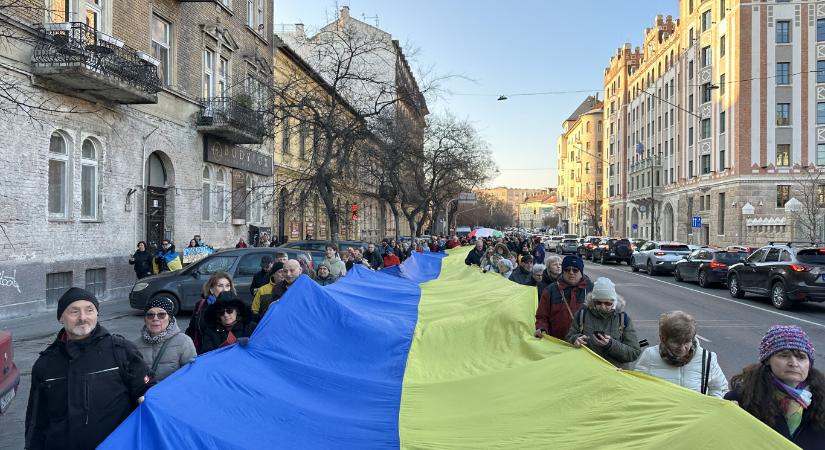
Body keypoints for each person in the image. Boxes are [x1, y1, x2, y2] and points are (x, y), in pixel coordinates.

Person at [25, 288, 153, 450]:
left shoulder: (121, 350)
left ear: (97, 314)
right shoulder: (45, 364)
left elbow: (149, 393)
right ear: (60, 318)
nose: (82, 318)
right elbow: (36, 422)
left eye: (89, 310)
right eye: (74, 311)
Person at [724, 325, 825, 448]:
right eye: (784, 355)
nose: (793, 363)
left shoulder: (821, 400)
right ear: (767, 360)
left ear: (809, 364)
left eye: (801, 357)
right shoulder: (741, 400)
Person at [634, 311, 728, 398]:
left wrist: (710, 407)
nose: (682, 348)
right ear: (663, 339)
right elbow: (637, 387)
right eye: (676, 342)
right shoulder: (650, 356)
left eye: (687, 342)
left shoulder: (707, 358)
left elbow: (720, 389)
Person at [566, 277, 642, 368]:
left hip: (615, 375)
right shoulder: (582, 315)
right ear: (593, 301)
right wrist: (575, 339)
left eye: (607, 303)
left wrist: (610, 344)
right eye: (598, 303)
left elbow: (634, 352)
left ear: (614, 302)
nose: (602, 307)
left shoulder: (623, 319)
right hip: (588, 371)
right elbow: (570, 337)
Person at [134, 297, 196, 382]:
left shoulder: (184, 342)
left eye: (161, 315)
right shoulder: (135, 345)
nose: (155, 318)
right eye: (150, 315)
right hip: (145, 394)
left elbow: (191, 375)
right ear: (145, 319)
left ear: (169, 318)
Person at [534, 255, 593, 340]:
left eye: (575, 270)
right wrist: (542, 328)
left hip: (585, 344)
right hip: (557, 343)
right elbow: (542, 316)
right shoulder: (550, 289)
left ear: (581, 272)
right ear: (563, 271)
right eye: (567, 270)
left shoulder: (591, 289)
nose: (571, 273)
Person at [185, 272, 235, 353]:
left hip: (225, 355)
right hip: (201, 354)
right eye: (220, 286)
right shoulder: (201, 305)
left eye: (227, 286)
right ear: (211, 289)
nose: (225, 289)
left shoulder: (236, 307)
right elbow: (192, 330)